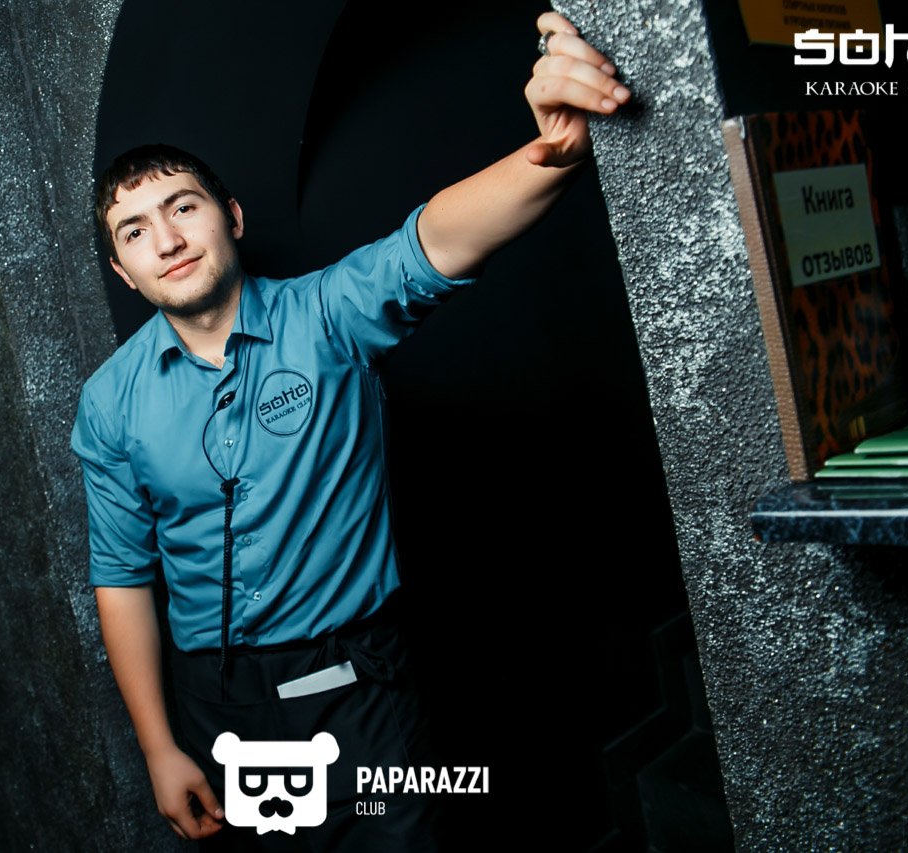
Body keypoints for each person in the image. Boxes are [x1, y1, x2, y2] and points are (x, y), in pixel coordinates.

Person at [71, 11, 628, 850]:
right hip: (218, 709)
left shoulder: (327, 314)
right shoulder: (110, 402)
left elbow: (431, 240)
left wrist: (550, 153)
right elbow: (121, 577)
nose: (169, 240)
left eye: (183, 206)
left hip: (358, 695)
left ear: (231, 216)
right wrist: (159, 747)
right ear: (122, 268)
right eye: (136, 230)